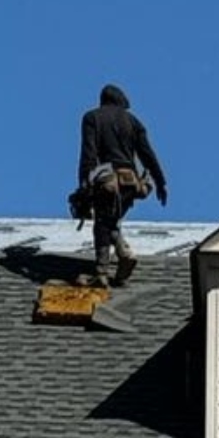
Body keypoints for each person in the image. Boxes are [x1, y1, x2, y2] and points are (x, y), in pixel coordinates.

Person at [78, 83, 168, 286]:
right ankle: (121, 255)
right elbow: (147, 154)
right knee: (110, 221)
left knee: (102, 223)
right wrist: (160, 182)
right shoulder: (133, 121)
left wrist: (84, 184)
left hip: (106, 180)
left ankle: (105, 270)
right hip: (131, 183)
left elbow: (88, 154)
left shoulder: (92, 118)